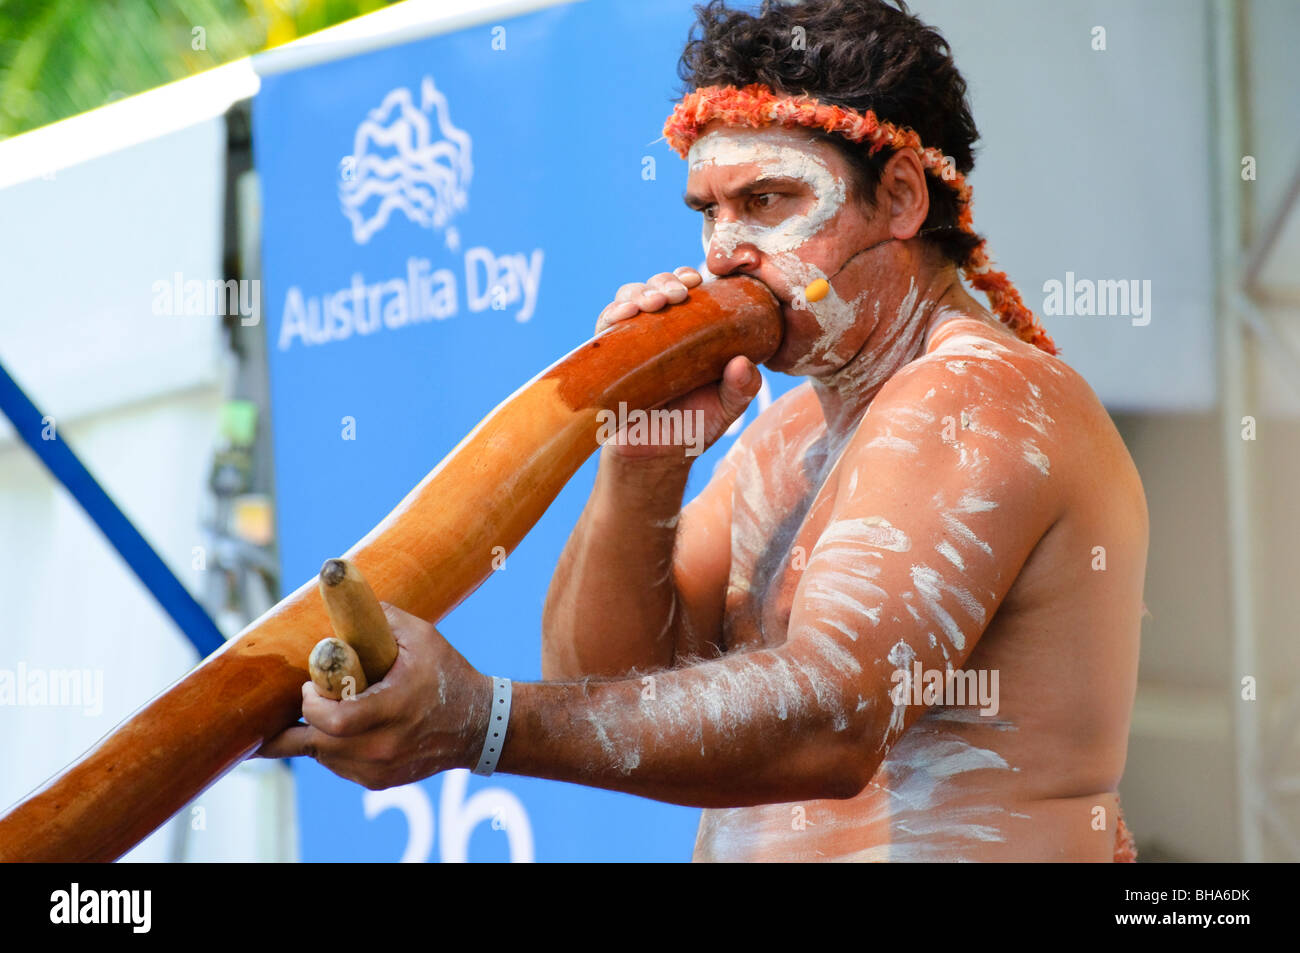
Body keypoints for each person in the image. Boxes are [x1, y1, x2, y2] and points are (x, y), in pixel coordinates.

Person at [260, 0, 1145, 862]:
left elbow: (834, 717)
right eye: (708, 211)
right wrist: (642, 461)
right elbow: (596, 678)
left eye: (766, 201)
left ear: (903, 197)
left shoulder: (976, 391)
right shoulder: (788, 433)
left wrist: (483, 721)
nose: (722, 252)